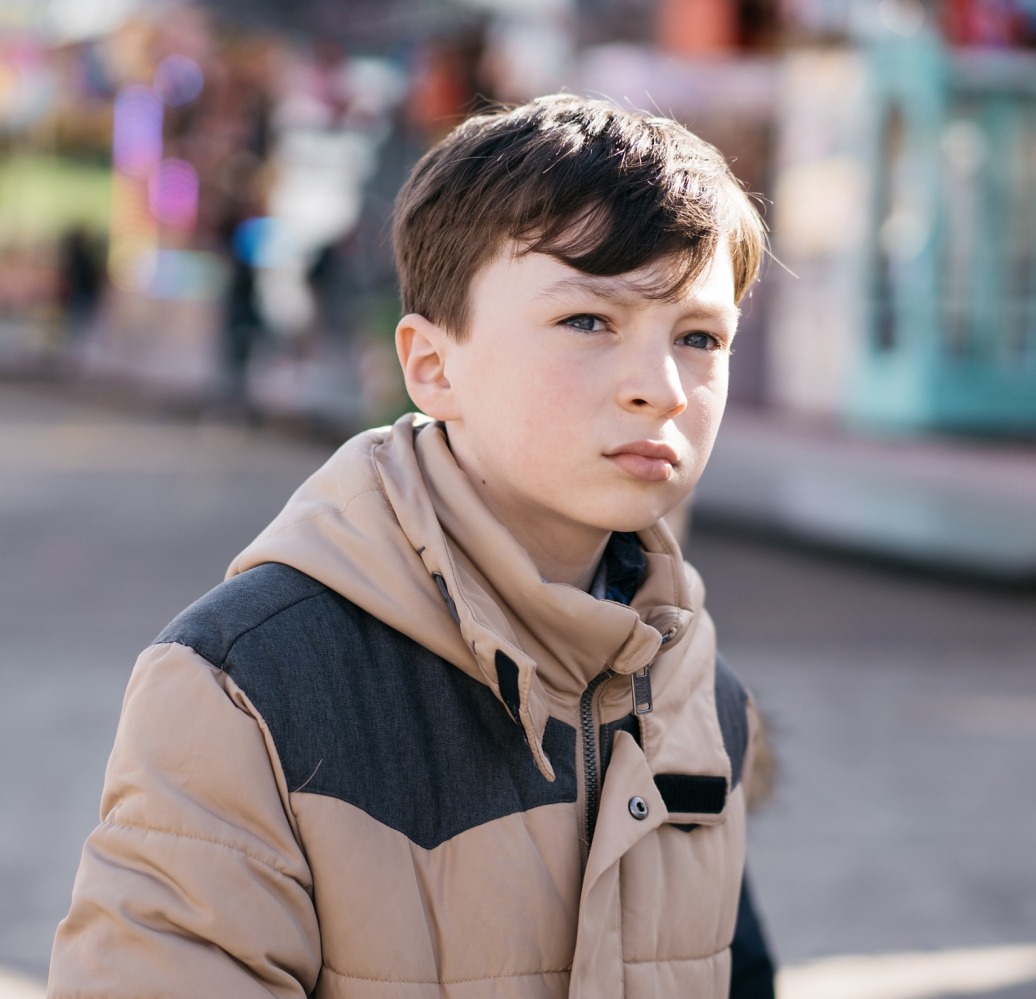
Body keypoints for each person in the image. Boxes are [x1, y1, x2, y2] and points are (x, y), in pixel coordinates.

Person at [49, 95, 775, 998]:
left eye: (699, 337)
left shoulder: (701, 691)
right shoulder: (247, 687)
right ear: (433, 366)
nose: (661, 387)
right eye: (589, 321)